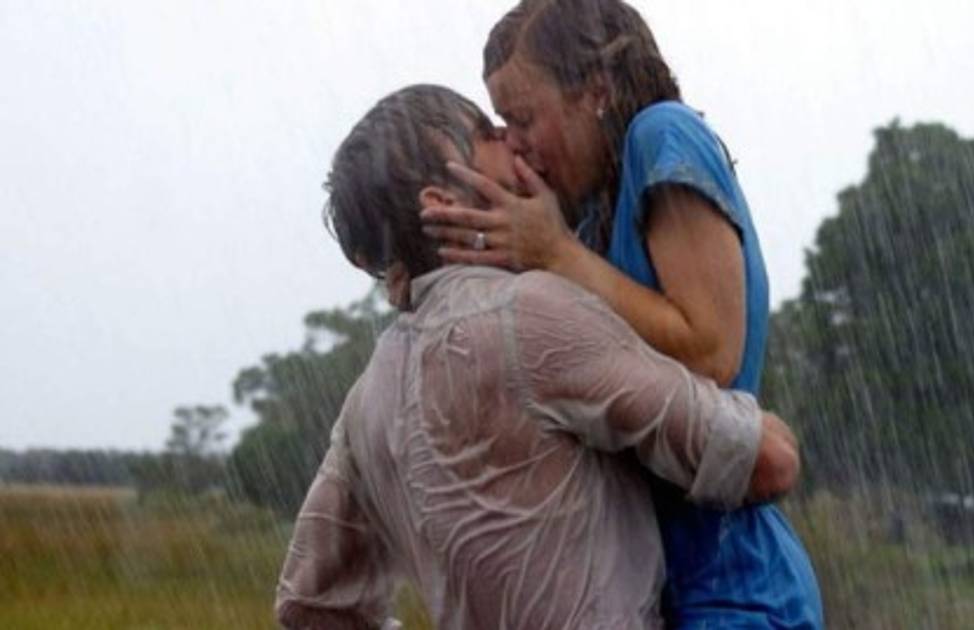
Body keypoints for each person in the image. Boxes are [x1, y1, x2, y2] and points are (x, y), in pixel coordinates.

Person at [274, 84, 803, 629]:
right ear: (443, 204)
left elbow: (307, 605)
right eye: (485, 133)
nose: (510, 137)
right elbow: (765, 462)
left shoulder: (366, 402)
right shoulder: (531, 314)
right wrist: (767, 430)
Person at [418, 1, 824, 627]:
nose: (516, 143)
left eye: (522, 118)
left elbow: (712, 352)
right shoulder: (587, 217)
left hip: (733, 590)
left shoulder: (662, 135)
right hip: (653, 593)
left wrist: (556, 254)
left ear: (597, 92)